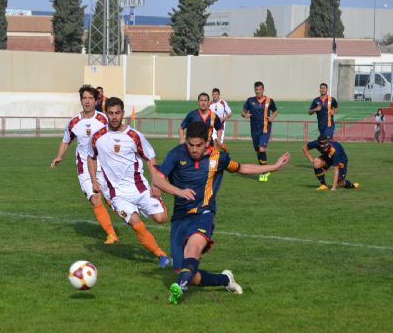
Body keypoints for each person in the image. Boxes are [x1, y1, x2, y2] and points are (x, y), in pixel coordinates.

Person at [152, 122, 291, 304]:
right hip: (180, 217)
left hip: (203, 214)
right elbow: (157, 179)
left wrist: (273, 167)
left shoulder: (219, 158)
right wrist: (178, 191)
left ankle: (180, 289)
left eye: (198, 145)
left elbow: (241, 168)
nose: (194, 149)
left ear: (207, 141)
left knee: (192, 249)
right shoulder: (177, 153)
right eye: (190, 145)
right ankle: (225, 279)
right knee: (186, 274)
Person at [87, 97, 171, 268]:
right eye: (110, 113)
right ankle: (161, 255)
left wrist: (155, 183)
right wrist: (94, 180)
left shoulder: (134, 136)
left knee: (161, 218)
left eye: (117, 113)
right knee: (135, 222)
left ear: (123, 113)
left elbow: (150, 157)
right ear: (106, 114)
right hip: (116, 194)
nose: (114, 117)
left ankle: (156, 211)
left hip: (140, 188)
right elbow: (91, 156)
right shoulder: (98, 137)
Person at [50, 85, 118, 245]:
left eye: (90, 98)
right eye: (84, 98)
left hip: (106, 166)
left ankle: (133, 221)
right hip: (85, 168)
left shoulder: (104, 119)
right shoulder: (74, 122)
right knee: (95, 199)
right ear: (81, 101)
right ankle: (111, 234)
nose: (87, 101)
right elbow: (66, 141)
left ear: (96, 101)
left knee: (111, 200)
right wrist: (59, 156)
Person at [241, 81, 278, 182]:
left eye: (260, 89)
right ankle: (265, 169)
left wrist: (272, 117)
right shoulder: (250, 101)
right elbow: (243, 112)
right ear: (254, 90)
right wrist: (245, 115)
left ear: (263, 90)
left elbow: (275, 111)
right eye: (256, 89)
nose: (258, 91)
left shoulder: (269, 101)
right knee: (258, 151)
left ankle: (263, 173)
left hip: (265, 129)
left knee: (262, 149)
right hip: (254, 130)